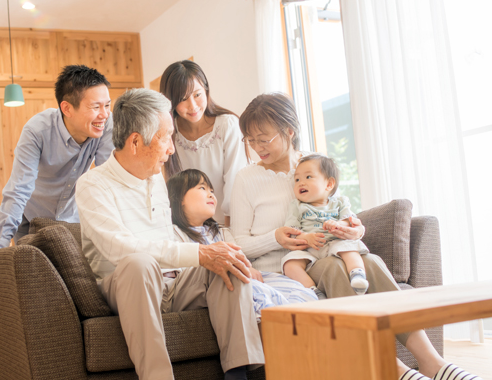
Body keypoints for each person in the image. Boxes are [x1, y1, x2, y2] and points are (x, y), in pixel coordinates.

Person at [230, 92, 481, 380]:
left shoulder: (313, 166)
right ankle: (395, 370)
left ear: (289, 131)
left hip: (328, 249)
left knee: (370, 261)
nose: (257, 147)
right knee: (339, 268)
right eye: (250, 140)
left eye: (264, 138)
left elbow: (340, 209)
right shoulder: (246, 179)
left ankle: (432, 362)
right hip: (291, 268)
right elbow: (238, 244)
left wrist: (355, 228)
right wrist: (275, 237)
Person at [74, 88, 263, 380]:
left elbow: (168, 240)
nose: (172, 149)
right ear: (136, 141)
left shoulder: (156, 178)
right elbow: (118, 248)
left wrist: (213, 252)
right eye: (166, 138)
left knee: (227, 261)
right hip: (127, 284)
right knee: (139, 263)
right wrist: (198, 253)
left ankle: (239, 374)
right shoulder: (92, 185)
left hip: (173, 283)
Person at [0, 65, 114, 263]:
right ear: (67, 108)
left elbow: (108, 180)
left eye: (107, 105)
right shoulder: (37, 131)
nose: (104, 114)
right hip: (30, 220)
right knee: (34, 280)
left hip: (71, 218)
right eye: (96, 107)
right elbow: (19, 189)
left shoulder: (104, 126)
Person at [167, 168, 317, 321]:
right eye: (202, 188)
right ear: (179, 198)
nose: (211, 194)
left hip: (242, 277)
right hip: (211, 284)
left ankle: (304, 322)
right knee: (258, 292)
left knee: (294, 288)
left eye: (211, 189)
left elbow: (240, 256)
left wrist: (249, 268)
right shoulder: (172, 233)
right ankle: (278, 323)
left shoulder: (220, 232)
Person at [160, 60, 247, 226]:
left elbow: (235, 183)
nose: (192, 105)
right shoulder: (169, 133)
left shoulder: (227, 126)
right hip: (189, 229)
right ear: (170, 101)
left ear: (206, 90)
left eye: (197, 95)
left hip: (230, 223)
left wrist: (227, 231)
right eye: (183, 99)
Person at [282, 154, 370, 299]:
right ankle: (313, 291)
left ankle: (357, 274)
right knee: (290, 264)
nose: (301, 183)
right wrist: (306, 237)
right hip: (309, 248)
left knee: (349, 249)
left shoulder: (340, 202)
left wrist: (338, 224)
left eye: (308, 177)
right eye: (297, 179)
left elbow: (350, 220)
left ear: (329, 184)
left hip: (335, 241)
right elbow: (291, 229)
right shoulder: (296, 206)